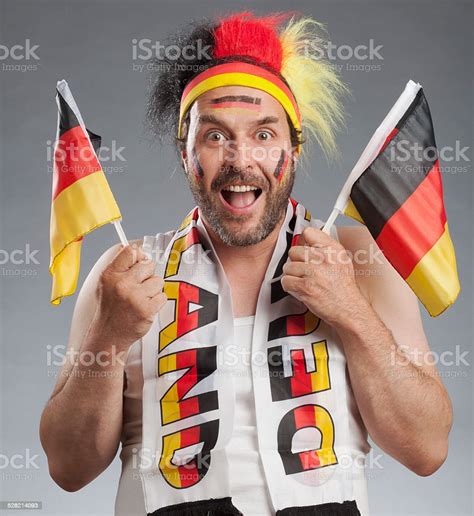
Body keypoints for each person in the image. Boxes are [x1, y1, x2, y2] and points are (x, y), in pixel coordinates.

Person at [39, 12, 452, 516]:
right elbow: (67, 467)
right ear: (185, 150)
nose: (240, 159)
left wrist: (353, 314)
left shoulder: (362, 261)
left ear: (294, 149)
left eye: (263, 135)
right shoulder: (124, 273)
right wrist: (108, 336)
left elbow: (427, 449)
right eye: (215, 136)